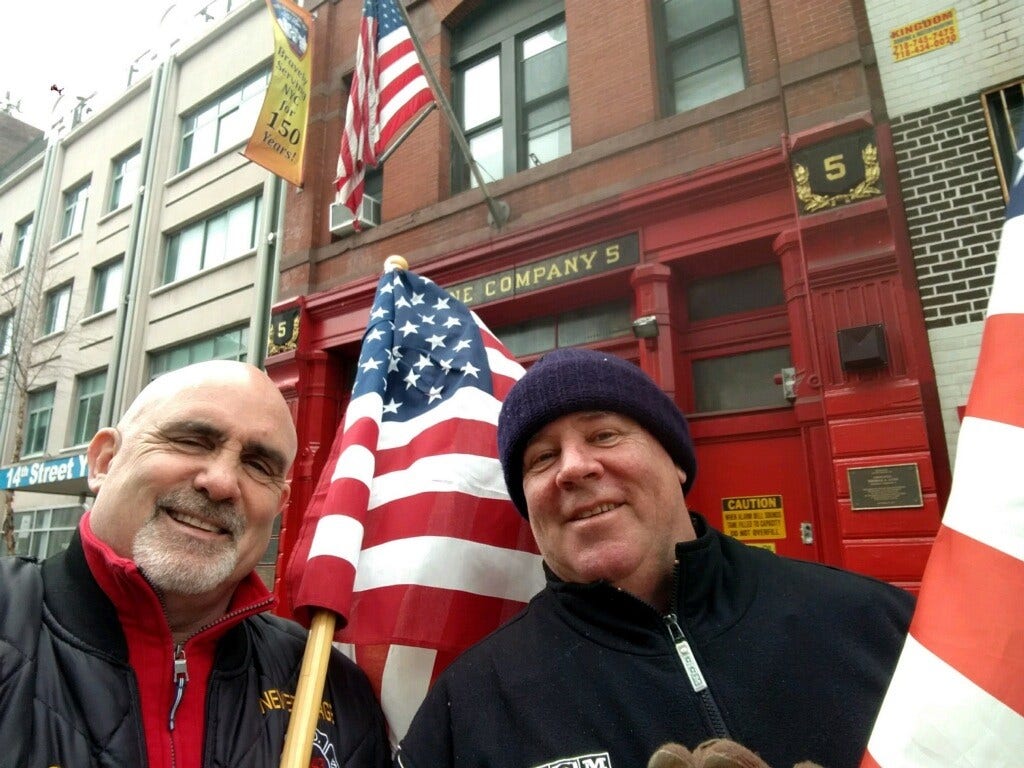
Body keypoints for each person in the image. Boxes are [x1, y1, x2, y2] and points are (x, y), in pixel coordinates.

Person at [395, 348, 914, 768]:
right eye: (542, 458)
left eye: (604, 435)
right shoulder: (465, 710)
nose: (572, 468)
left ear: (676, 461)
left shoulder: (877, 626)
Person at [0, 360, 389, 768]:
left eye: (258, 465)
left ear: (279, 506)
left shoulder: (333, 689)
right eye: (192, 441)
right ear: (104, 461)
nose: (221, 482)